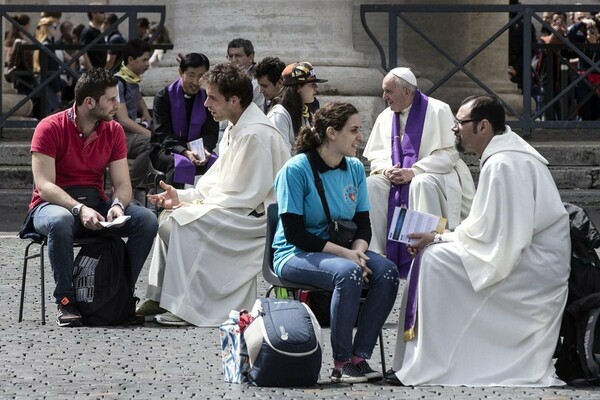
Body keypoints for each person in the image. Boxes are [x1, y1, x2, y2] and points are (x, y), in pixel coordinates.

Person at [386, 95, 570, 386]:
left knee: (434, 261)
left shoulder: (505, 164)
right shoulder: (502, 158)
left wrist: (438, 240)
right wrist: (440, 237)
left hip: (533, 265)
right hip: (523, 253)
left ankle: (432, 362)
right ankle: (422, 359)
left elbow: (503, 240)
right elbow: (489, 229)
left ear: (483, 126)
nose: (454, 129)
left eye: (460, 122)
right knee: (433, 254)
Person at [136, 63, 289, 326]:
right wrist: (182, 197)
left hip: (257, 220)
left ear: (235, 100)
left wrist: (194, 205)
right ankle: (162, 294)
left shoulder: (256, 134)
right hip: (236, 207)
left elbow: (246, 195)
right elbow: (217, 180)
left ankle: (186, 306)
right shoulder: (235, 126)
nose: (206, 103)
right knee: (171, 215)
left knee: (184, 224)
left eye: (213, 97)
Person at [272, 101, 399, 383]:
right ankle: (341, 362)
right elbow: (295, 234)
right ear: (332, 132)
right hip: (294, 253)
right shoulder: (296, 170)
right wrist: (346, 255)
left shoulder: (354, 168)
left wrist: (358, 252)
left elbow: (363, 224)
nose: (360, 137)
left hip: (342, 251)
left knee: (388, 272)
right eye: (353, 130)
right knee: (349, 273)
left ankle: (359, 358)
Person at [26, 68, 158, 327]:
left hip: (96, 203)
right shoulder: (49, 127)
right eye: (111, 99)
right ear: (89, 102)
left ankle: (120, 295)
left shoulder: (113, 131)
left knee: (146, 220)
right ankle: (66, 300)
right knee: (61, 221)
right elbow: (44, 186)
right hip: (50, 206)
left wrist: (118, 205)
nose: (117, 105)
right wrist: (79, 209)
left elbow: (122, 184)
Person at [363, 67, 475, 277]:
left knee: (420, 183)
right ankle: (377, 254)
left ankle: (428, 250)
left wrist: (414, 171)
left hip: (435, 174)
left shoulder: (439, 110)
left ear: (406, 92)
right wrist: (387, 169)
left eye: (388, 91)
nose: (384, 96)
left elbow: (450, 154)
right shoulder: (385, 116)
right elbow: (375, 155)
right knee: (372, 184)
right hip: (396, 176)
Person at [150, 52, 219, 188]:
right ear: (181, 72)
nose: (195, 82)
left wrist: (204, 149)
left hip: (198, 149)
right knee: (180, 164)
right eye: (191, 75)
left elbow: (211, 131)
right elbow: (163, 134)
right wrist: (184, 152)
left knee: (216, 162)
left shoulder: (207, 98)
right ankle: (173, 206)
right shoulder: (163, 97)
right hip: (166, 149)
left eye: (201, 76)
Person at [114, 38, 152, 198]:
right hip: (118, 136)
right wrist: (147, 133)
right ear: (130, 60)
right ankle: (130, 185)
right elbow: (123, 120)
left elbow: (139, 98)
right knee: (151, 143)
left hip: (129, 133)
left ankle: (144, 186)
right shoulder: (118, 82)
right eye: (144, 60)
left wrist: (145, 112)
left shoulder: (133, 79)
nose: (148, 64)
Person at [267, 61, 327, 152]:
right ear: (298, 88)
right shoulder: (279, 115)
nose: (316, 88)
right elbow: (281, 155)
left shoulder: (304, 112)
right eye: (312, 85)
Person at [33, 17, 63, 115]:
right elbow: (52, 67)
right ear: (48, 29)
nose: (56, 29)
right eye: (54, 27)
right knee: (52, 111)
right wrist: (57, 88)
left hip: (46, 82)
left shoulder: (45, 43)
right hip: (49, 84)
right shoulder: (47, 45)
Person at [227, 38, 265, 109]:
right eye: (230, 56)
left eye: (238, 56)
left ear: (250, 57)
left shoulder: (259, 79)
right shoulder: (226, 78)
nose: (234, 60)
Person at [79, 5, 106, 71]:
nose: (104, 14)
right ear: (93, 14)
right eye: (101, 12)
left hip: (98, 71)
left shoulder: (99, 31)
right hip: (91, 73)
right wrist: (91, 70)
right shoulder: (88, 31)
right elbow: (83, 53)